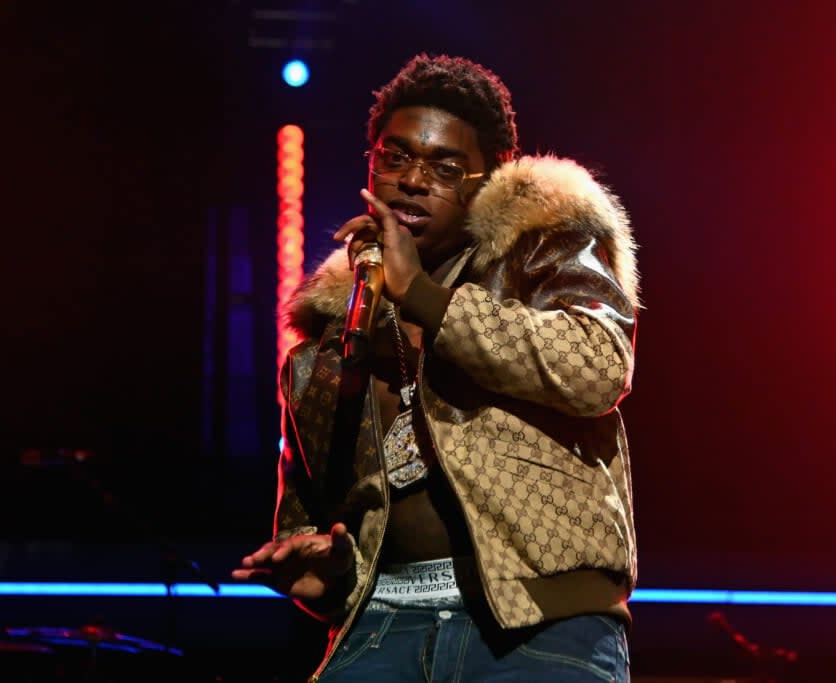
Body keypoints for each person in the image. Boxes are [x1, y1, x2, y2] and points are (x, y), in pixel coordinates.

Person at [232, 53, 641, 683]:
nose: (413, 181)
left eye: (445, 167)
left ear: (489, 180)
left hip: (537, 631)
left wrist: (421, 294)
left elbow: (594, 369)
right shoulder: (327, 339)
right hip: (380, 630)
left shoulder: (540, 253)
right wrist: (324, 570)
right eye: (395, 158)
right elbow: (308, 515)